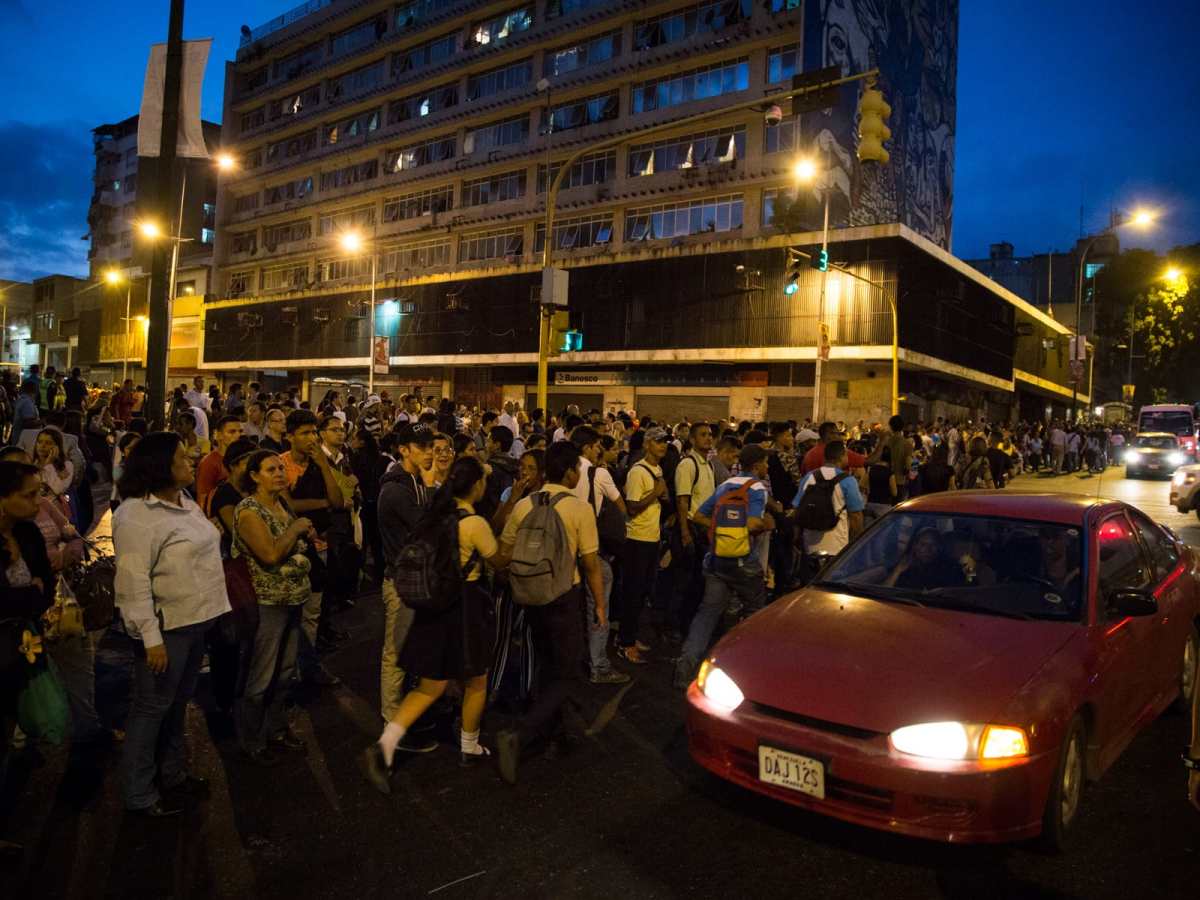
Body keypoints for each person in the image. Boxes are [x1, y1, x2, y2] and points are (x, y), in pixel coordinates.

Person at [363, 457, 499, 792]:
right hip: (465, 607)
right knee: (476, 679)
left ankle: (385, 745)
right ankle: (470, 746)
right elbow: (498, 559)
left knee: (429, 686)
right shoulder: (474, 523)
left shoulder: (434, 515)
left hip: (434, 607)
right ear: (476, 485)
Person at [113, 432, 231, 816]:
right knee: (151, 710)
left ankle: (173, 774)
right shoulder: (136, 515)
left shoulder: (184, 501)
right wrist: (150, 638)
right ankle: (139, 794)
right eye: (181, 456)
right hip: (166, 631)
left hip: (196, 622)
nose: (191, 460)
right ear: (159, 465)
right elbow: (132, 583)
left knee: (176, 705)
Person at [492, 442, 606, 785]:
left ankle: (552, 733)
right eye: (577, 469)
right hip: (563, 597)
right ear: (569, 472)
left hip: (530, 596)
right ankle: (521, 733)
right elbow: (590, 564)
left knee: (547, 665)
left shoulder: (525, 503)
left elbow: (505, 550)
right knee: (568, 672)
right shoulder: (579, 508)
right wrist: (600, 605)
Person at [234, 451, 314, 766]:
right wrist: (295, 530)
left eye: (281, 468)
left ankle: (277, 729)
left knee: (285, 673)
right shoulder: (249, 511)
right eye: (271, 469)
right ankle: (252, 740)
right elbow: (268, 554)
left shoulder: (281, 503)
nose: (280, 473)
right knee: (261, 676)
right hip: (267, 603)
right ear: (254, 476)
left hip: (293, 599)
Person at [674, 445, 774, 687]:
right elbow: (753, 524)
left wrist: (720, 529)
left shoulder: (725, 485)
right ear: (757, 465)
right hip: (744, 561)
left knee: (707, 613)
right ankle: (746, 670)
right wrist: (766, 523)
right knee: (754, 614)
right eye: (765, 462)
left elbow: (698, 515)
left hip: (716, 559)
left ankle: (684, 667)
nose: (767, 467)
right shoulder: (757, 488)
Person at [375, 423, 438, 751]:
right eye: (422, 446)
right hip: (402, 583)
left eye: (431, 446)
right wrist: (431, 485)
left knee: (414, 651)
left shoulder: (414, 482)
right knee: (396, 654)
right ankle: (392, 725)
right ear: (404, 450)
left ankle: (407, 716)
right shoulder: (396, 490)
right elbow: (428, 526)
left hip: (419, 579)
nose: (429, 452)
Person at [280, 409, 345, 688]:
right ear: (290, 436)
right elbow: (289, 506)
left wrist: (323, 466)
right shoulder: (279, 465)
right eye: (305, 433)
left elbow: (338, 501)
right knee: (289, 615)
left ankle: (308, 669)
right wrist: (322, 503)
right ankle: (290, 672)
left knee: (313, 613)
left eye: (314, 433)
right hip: (292, 550)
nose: (311, 439)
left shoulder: (320, 463)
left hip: (321, 547)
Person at [572, 427, 629, 684]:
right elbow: (621, 506)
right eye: (597, 446)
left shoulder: (562, 472)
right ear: (587, 447)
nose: (600, 451)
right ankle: (599, 665)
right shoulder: (598, 473)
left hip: (566, 553)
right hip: (592, 550)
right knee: (598, 604)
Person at [619, 427, 670, 664]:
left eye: (665, 442)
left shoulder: (657, 470)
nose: (663, 445)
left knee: (642, 593)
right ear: (647, 444)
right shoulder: (638, 472)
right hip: (637, 540)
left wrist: (662, 496)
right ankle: (625, 642)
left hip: (651, 538)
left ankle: (630, 636)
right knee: (633, 592)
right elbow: (632, 507)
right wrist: (655, 493)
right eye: (658, 441)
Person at [675, 422, 716, 636]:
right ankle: (680, 626)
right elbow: (682, 501)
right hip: (693, 529)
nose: (708, 438)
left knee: (700, 581)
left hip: (705, 530)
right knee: (687, 582)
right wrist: (685, 532)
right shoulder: (688, 465)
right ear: (692, 439)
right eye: (703, 435)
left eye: (710, 435)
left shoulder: (708, 465)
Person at [793, 440, 866, 559]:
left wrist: (797, 540)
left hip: (809, 545)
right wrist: (855, 544)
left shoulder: (809, 477)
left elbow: (797, 510)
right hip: (838, 547)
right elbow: (856, 516)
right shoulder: (848, 480)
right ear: (842, 456)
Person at [883, 527, 964, 589]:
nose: (927, 549)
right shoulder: (904, 565)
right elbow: (884, 591)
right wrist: (896, 572)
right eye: (923, 544)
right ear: (915, 546)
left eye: (933, 545)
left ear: (940, 547)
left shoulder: (951, 569)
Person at [196, 415, 244, 512]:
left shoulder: (242, 458)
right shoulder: (209, 462)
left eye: (240, 431)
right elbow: (202, 497)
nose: (238, 435)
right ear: (219, 435)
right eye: (232, 432)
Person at [33, 428, 73, 520]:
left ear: (57, 447)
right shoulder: (32, 463)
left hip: (55, 510)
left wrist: (49, 465)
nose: (42, 446)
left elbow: (58, 489)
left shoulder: (66, 465)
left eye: (48, 443)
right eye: (39, 442)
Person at [11, 381, 38, 446]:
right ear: (34, 391)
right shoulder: (27, 402)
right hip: (24, 440)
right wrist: (43, 421)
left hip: (18, 436)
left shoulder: (21, 399)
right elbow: (28, 423)